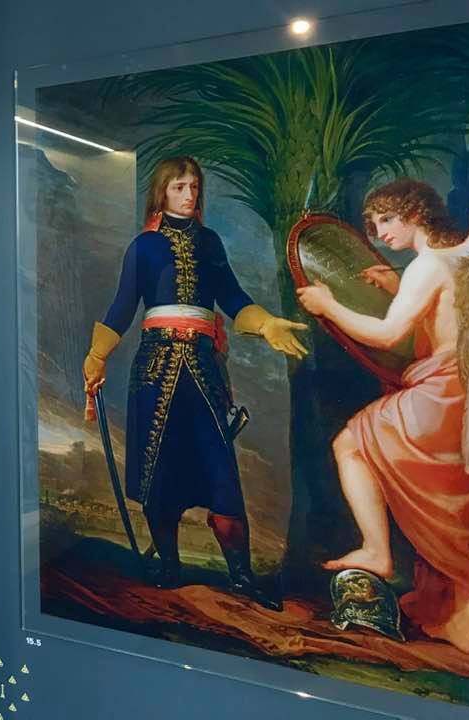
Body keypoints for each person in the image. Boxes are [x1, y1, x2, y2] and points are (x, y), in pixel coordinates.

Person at [82, 156, 307, 609]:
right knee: (158, 471)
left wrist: (265, 324)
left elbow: (234, 298)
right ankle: (170, 567)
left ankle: (241, 577)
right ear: (162, 192)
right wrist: (96, 358)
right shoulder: (143, 247)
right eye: (180, 187)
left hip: (203, 370)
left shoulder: (210, 243)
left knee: (220, 471)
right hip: (154, 369)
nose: (190, 195)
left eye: (194, 187)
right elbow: (122, 307)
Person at [297, 178, 469, 654]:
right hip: (462, 397)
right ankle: (465, 621)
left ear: (415, 213)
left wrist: (328, 305)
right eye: (374, 224)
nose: (380, 234)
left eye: (386, 219)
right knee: (455, 510)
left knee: (351, 443)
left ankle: (377, 551)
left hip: (440, 396)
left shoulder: (427, 265)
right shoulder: (461, 259)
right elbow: (446, 318)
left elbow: (387, 335)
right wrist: (399, 288)